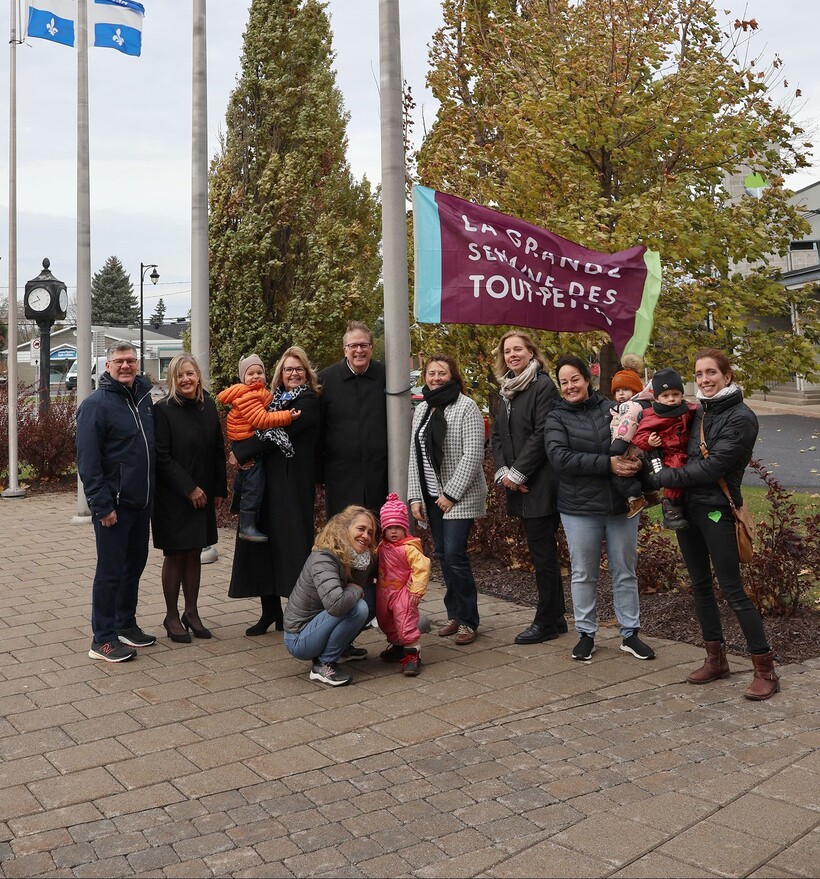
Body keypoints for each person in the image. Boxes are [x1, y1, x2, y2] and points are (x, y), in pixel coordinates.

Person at [648, 348, 779, 700]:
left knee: (733, 590)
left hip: (718, 509)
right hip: (688, 509)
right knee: (700, 585)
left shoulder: (741, 417)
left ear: (727, 375)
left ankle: (765, 670)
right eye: (699, 373)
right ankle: (715, 659)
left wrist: (664, 478)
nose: (704, 380)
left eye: (711, 373)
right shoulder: (700, 410)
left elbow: (712, 467)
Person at [544, 354, 656, 663]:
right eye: (563, 382)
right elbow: (560, 458)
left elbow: (637, 437)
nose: (570, 386)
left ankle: (630, 633)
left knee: (625, 571)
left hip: (619, 504)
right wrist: (608, 463)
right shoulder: (556, 417)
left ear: (587, 379)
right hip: (578, 508)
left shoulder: (612, 408)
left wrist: (635, 461)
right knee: (583, 573)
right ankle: (585, 634)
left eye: (575, 379)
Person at [227, 346, 321, 636]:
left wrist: (240, 452)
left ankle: (299, 613)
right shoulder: (270, 401)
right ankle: (270, 612)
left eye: (299, 369)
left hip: (293, 484)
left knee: (293, 547)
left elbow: (274, 436)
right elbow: (253, 427)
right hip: (266, 481)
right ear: (280, 374)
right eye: (288, 369)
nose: (293, 374)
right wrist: (241, 449)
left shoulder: (307, 401)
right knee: (261, 545)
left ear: (306, 373)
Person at [76, 342, 156, 662]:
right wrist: (101, 505)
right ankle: (103, 638)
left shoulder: (144, 400)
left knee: (134, 566)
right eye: (119, 361)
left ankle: (125, 623)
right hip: (114, 506)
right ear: (107, 366)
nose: (126, 366)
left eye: (131, 361)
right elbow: (88, 459)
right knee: (110, 572)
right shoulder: (96, 404)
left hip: (142, 503)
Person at [490, 330, 567, 645]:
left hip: (540, 484)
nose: (512, 355)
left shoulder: (543, 386)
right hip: (516, 482)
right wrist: (504, 471)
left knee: (544, 555)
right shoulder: (507, 390)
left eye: (518, 349)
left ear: (531, 353)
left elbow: (541, 433)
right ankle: (557, 617)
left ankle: (546, 621)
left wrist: (519, 472)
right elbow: (496, 435)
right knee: (541, 553)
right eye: (507, 351)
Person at [408, 353, 487, 646]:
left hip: (459, 496)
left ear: (453, 376)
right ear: (425, 377)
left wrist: (450, 494)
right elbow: (414, 455)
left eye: (442, 373)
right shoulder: (423, 408)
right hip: (430, 496)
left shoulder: (466, 407)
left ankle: (468, 620)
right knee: (443, 556)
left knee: (455, 554)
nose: (436, 378)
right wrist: (415, 496)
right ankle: (454, 614)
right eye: (431, 373)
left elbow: (474, 454)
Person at [152, 354, 227, 643]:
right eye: (179, 375)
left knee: (194, 551)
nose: (186, 379)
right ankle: (171, 615)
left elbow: (218, 449)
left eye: (190, 373)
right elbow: (162, 456)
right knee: (175, 554)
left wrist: (219, 489)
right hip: (174, 495)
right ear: (172, 379)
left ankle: (192, 612)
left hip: (204, 494)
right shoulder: (163, 410)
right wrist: (189, 488)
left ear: (198, 376)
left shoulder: (208, 405)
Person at [283, 506, 377, 687]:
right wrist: (356, 589)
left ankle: (341, 649)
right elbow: (337, 604)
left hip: (322, 622)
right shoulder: (324, 558)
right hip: (300, 638)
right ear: (344, 528)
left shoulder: (362, 557)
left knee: (377, 594)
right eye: (361, 529)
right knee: (359, 607)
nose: (366, 536)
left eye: (370, 532)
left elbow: (390, 570)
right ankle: (324, 664)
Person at [216, 354, 300, 542]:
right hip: (246, 441)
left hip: (245, 440)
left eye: (259, 372)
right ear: (242, 378)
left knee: (247, 475)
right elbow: (261, 420)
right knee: (255, 481)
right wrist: (287, 416)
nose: (256, 376)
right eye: (250, 373)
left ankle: (238, 503)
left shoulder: (257, 392)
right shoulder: (249, 395)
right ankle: (247, 524)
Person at [318, 321, 387, 517]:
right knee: (342, 534)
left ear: (371, 348)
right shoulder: (325, 380)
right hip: (340, 477)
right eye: (353, 346)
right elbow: (319, 430)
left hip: (380, 476)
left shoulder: (386, 376)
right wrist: (319, 475)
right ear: (344, 350)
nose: (359, 350)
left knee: (376, 534)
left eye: (364, 345)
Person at [631, 368, 697, 530]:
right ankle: (670, 507)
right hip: (667, 453)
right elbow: (639, 437)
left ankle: (683, 504)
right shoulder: (653, 417)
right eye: (665, 396)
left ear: (682, 395)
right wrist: (649, 441)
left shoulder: (688, 410)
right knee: (674, 474)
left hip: (686, 448)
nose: (671, 399)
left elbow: (698, 413)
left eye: (675, 394)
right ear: (657, 399)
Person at [376, 493, 431, 675]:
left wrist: (416, 590)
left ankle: (413, 656)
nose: (393, 531)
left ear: (405, 529)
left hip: (403, 593)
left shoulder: (408, 548)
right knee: (386, 622)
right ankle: (399, 646)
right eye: (389, 527)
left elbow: (421, 567)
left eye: (397, 527)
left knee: (405, 622)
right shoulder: (382, 547)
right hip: (385, 592)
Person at [608, 355, 657, 518]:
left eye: (625, 390)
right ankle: (651, 494)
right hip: (637, 450)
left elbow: (626, 426)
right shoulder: (632, 406)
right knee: (641, 472)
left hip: (626, 449)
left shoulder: (631, 406)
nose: (621, 394)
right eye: (617, 391)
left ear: (636, 391)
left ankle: (635, 499)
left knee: (620, 476)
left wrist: (617, 447)